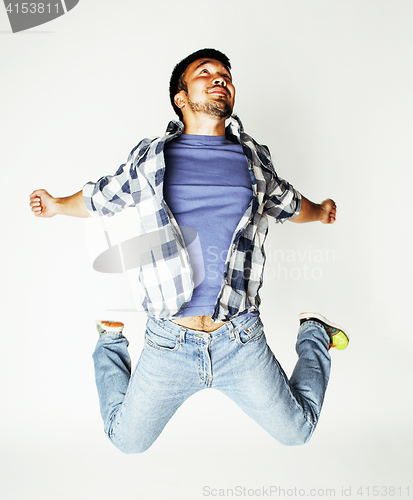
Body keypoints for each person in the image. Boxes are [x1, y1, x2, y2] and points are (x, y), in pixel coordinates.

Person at [29, 48, 349, 454]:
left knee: (297, 431)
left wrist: (319, 211)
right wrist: (57, 204)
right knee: (126, 441)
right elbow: (102, 196)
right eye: (206, 72)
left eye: (226, 75)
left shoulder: (253, 161)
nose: (221, 78)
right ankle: (110, 343)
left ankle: (314, 333)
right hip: (169, 341)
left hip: (239, 338)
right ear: (181, 98)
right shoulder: (151, 159)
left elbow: (287, 203)